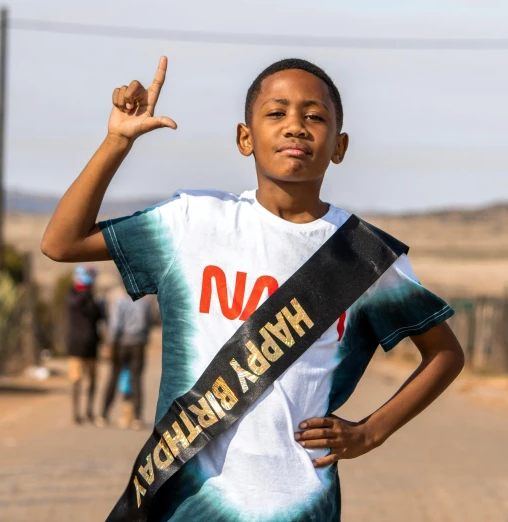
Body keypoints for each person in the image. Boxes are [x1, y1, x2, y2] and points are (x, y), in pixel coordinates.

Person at [41, 56, 465, 521]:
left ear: (339, 146)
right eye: (276, 113)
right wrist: (117, 141)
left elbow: (445, 354)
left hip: (299, 505)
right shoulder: (194, 222)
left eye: (315, 116)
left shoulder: (365, 257)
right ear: (245, 138)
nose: (296, 127)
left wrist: (370, 432)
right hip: (185, 503)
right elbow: (62, 243)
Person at [97, 292, 152, 430]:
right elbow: (147, 325)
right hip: (138, 344)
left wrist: (111, 342)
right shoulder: (144, 303)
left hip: (121, 343)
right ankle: (137, 418)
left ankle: (103, 414)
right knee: (136, 380)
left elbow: (115, 324)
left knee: (114, 377)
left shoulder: (120, 301)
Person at [66, 264, 102, 425]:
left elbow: (100, 315)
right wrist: (85, 292)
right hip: (76, 346)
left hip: (92, 345)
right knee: (76, 380)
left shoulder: (93, 297)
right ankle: (76, 413)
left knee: (92, 381)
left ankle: (89, 410)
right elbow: (74, 305)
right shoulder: (73, 295)